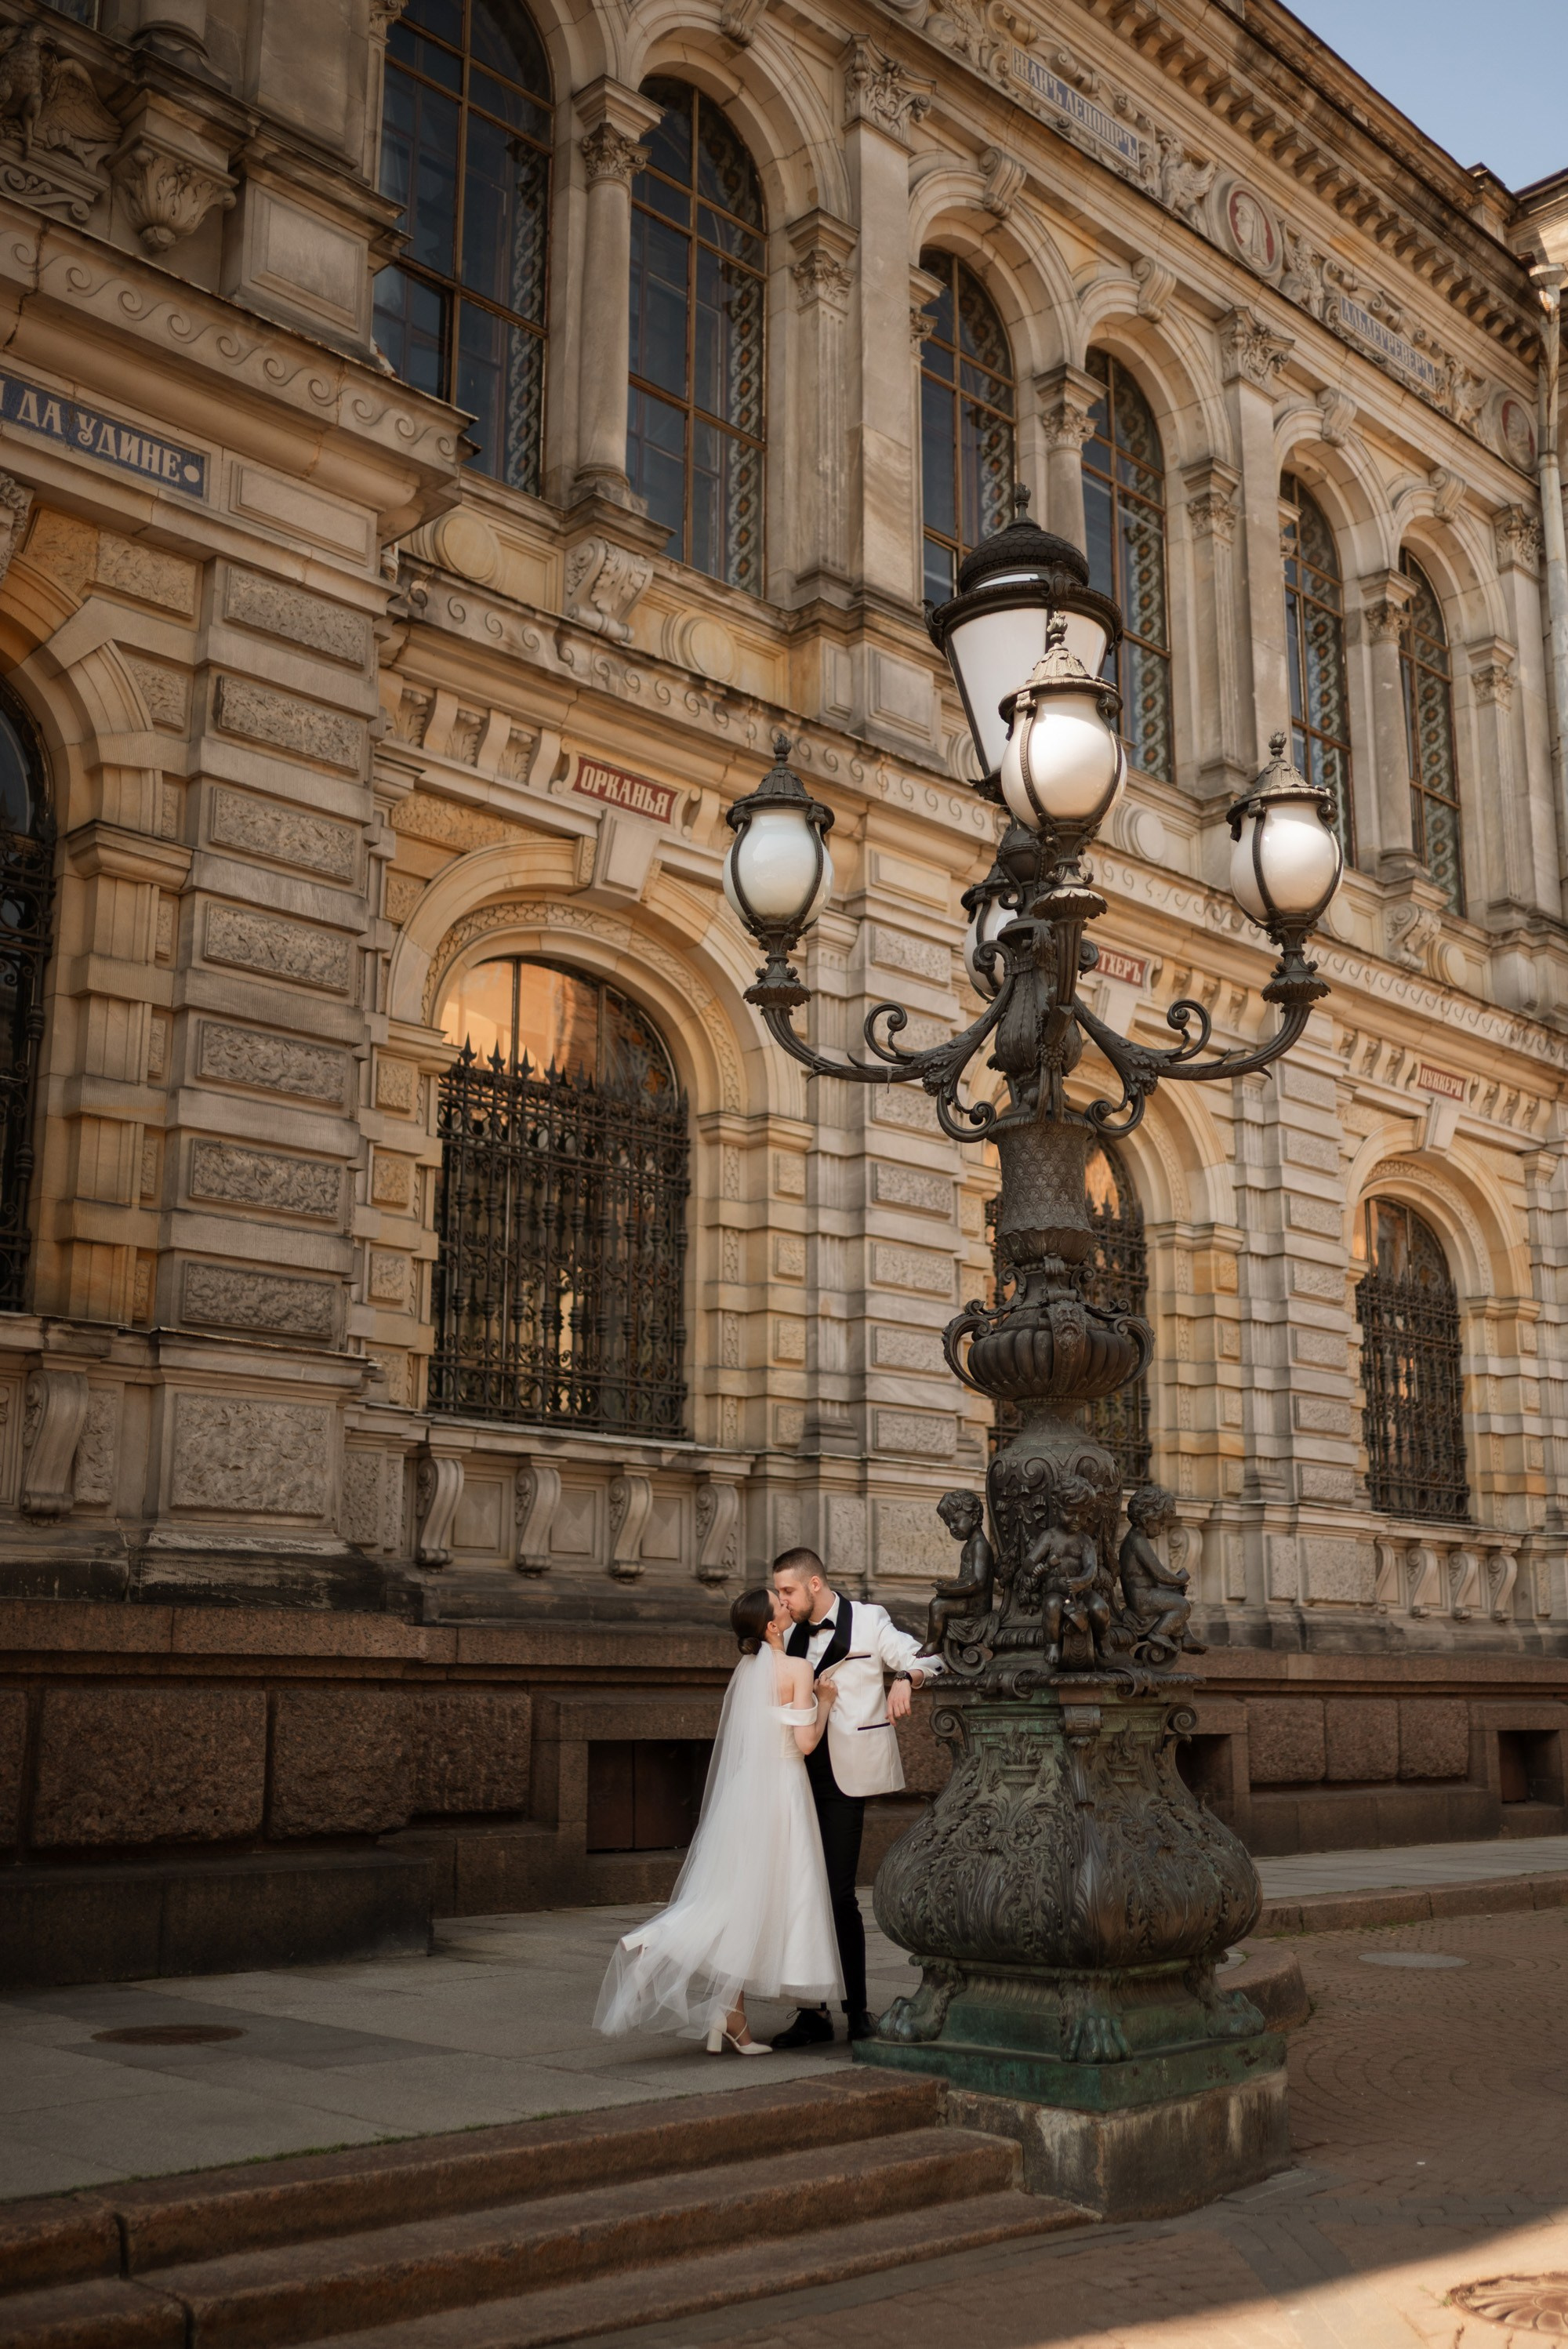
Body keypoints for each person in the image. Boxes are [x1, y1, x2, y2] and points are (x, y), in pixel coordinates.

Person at [593, 1586, 843, 2054]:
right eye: (780, 1603)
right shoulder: (797, 1669)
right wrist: (826, 1699)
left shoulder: (747, 1671)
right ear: (771, 1626)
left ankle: (731, 2017)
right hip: (782, 1791)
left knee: (742, 1897)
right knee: (755, 1897)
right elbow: (807, 1744)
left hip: (747, 1790)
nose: (788, 1605)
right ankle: (658, 1940)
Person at [770, 1547, 943, 2049]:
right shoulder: (787, 1632)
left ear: (816, 1585)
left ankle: (857, 2011)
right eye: (779, 1592)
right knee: (802, 1892)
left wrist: (905, 1680)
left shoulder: (869, 1620)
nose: (783, 1599)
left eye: (788, 1591)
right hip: (793, 1773)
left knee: (839, 1894)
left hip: (846, 1775)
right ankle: (811, 2013)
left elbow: (927, 1657)